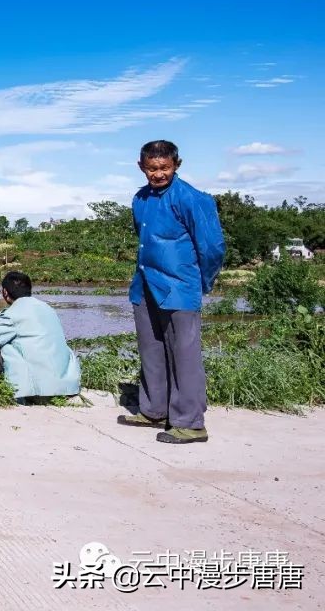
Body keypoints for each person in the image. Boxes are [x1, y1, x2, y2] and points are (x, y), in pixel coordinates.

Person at [118, 140, 225, 444]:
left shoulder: (193, 199)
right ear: (142, 167)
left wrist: (200, 282)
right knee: (151, 349)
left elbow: (213, 247)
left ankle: (190, 423)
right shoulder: (140, 199)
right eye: (152, 168)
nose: (158, 174)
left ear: (177, 164)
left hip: (179, 287)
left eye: (164, 167)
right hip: (145, 285)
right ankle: (154, 410)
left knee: (185, 355)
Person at [0, 272, 81, 400]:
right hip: (68, 385)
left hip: (38, 389)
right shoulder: (48, 308)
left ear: (5, 292)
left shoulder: (13, 313)